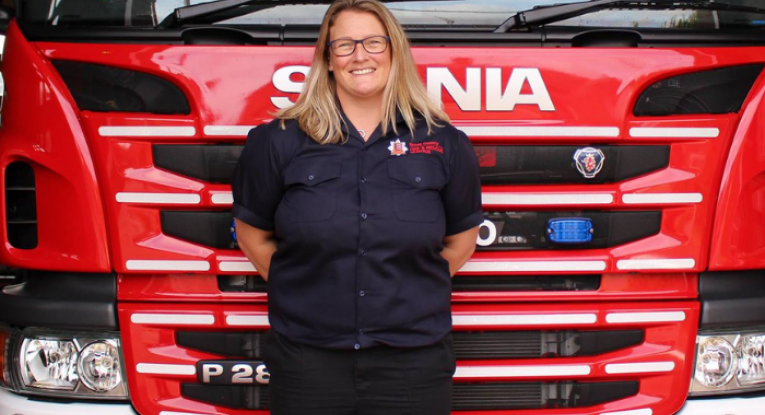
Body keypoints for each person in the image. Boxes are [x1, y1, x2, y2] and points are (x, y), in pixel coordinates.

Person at [232, 0, 482, 413]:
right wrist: (310, 291)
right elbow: (252, 234)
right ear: (327, 59)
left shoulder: (445, 144)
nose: (360, 55)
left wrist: (402, 290)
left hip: (412, 364)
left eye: (372, 42)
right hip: (307, 363)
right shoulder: (277, 141)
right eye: (344, 45)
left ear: (394, 52)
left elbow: (461, 241)